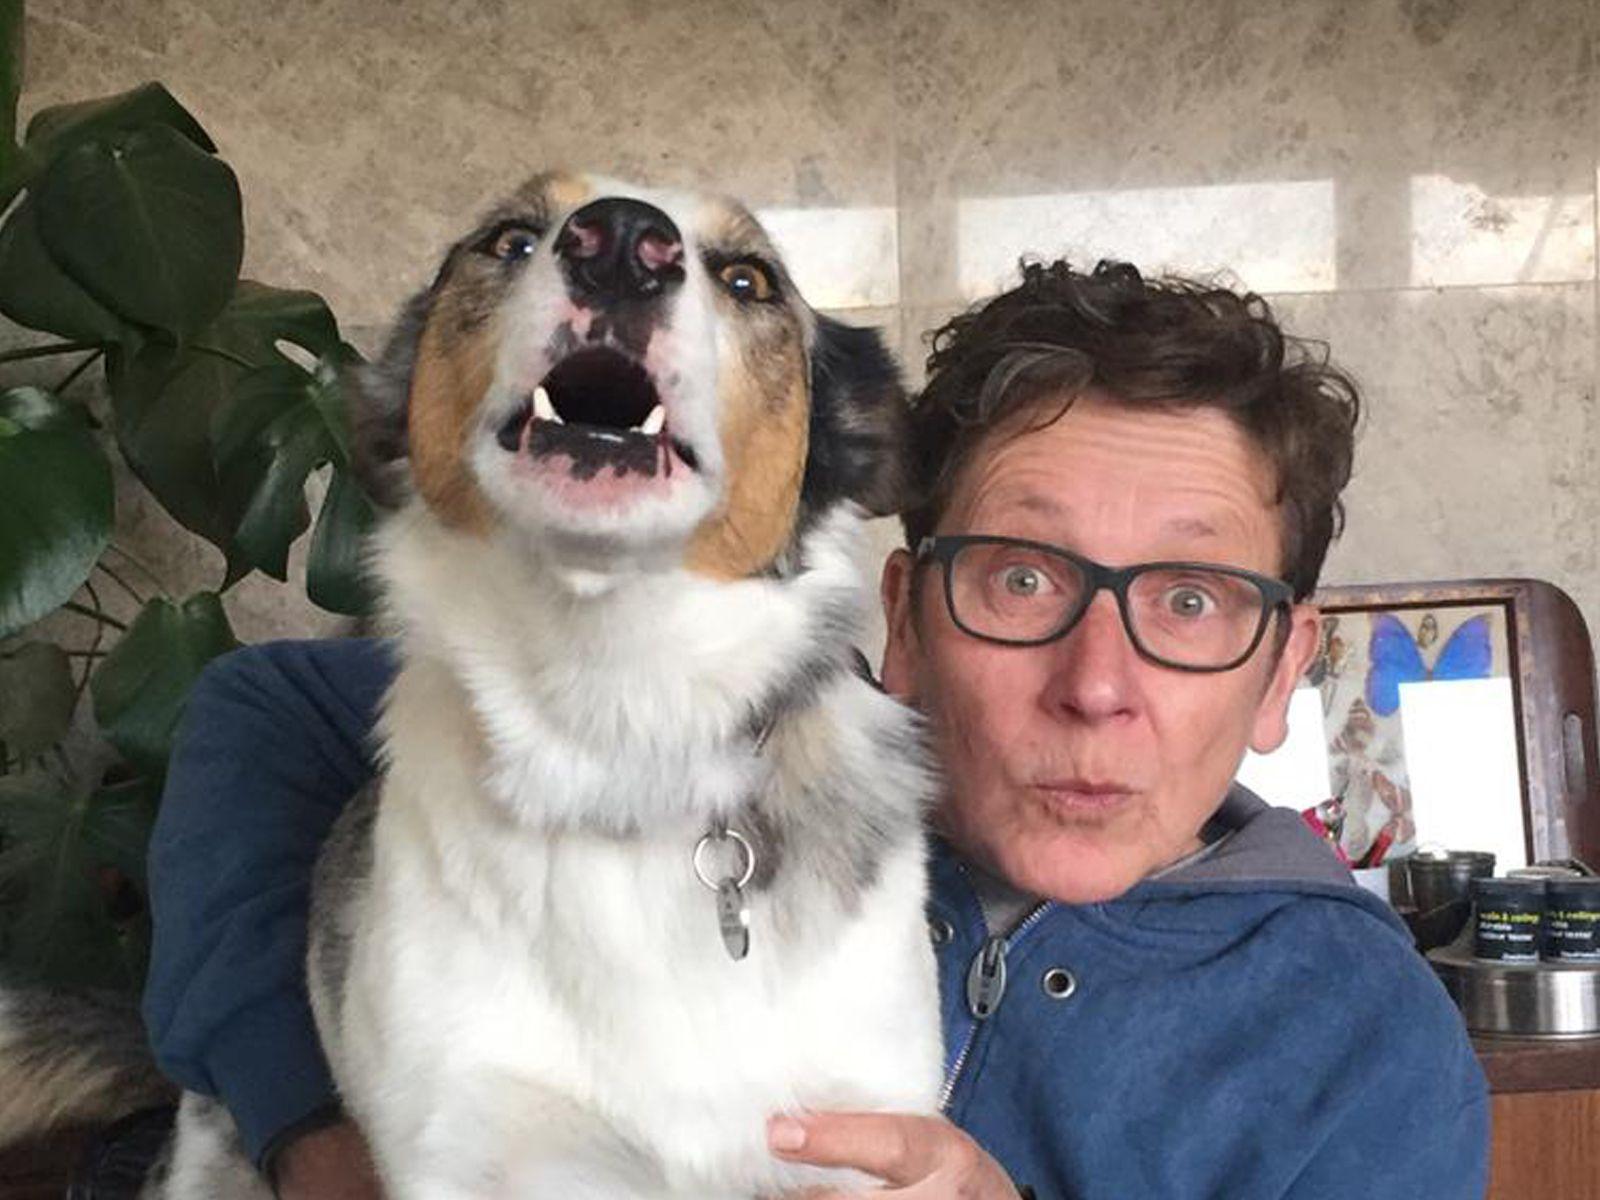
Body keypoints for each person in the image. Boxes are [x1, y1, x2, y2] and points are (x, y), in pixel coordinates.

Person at [139, 259, 1488, 1199]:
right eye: (1021, 577)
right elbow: (267, 721)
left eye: (1191, 601)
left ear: (1276, 675)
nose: (1096, 683)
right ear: (904, 616)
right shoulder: (718, 753)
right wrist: (319, 1139)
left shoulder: (1357, 1042)